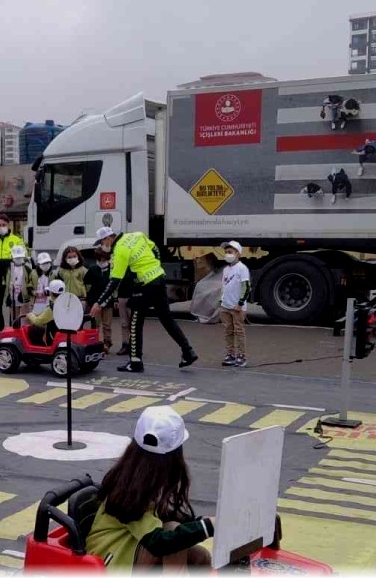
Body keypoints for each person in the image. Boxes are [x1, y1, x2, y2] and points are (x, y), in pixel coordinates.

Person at [86, 406, 214, 572]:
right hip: (112, 558)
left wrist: (205, 522)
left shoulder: (146, 478)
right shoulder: (128, 489)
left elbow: (163, 518)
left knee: (200, 556)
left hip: (132, 545)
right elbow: (159, 543)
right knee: (173, 535)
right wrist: (207, 527)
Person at [89, 228, 198, 373]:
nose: (103, 246)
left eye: (102, 242)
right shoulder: (137, 235)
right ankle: (188, 351)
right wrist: (156, 266)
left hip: (145, 286)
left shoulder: (119, 250)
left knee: (135, 323)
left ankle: (135, 362)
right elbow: (156, 250)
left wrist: (100, 303)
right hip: (159, 279)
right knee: (167, 320)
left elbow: (115, 281)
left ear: (108, 239)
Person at [0, 215, 25, 333]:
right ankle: (0, 331)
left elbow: (22, 257)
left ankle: (13, 329)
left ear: (8, 225)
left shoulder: (16, 239)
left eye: (4, 225)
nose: (1, 227)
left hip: (11, 274)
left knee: (12, 303)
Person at [218, 241, 252, 368]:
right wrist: (221, 301)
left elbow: (246, 287)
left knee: (239, 331)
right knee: (228, 331)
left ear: (238, 253)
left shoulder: (242, 268)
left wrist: (240, 303)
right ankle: (230, 354)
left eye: (230, 252)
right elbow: (224, 286)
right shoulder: (226, 270)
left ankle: (241, 356)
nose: (227, 254)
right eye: (226, 252)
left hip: (237, 307)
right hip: (225, 306)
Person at [86, 247, 116, 353]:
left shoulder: (112, 269)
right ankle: (94, 343)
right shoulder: (92, 269)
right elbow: (87, 285)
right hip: (95, 302)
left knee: (107, 325)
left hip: (108, 302)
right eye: (99, 259)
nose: (101, 261)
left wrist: (115, 299)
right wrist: (90, 300)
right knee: (95, 324)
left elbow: (115, 286)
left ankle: (107, 342)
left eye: (104, 259)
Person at [25, 279, 65, 345]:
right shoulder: (66, 303)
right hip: (63, 333)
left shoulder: (53, 308)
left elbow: (38, 321)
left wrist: (30, 315)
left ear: (51, 293)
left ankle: (39, 352)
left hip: (53, 336)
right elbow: (46, 315)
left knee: (33, 330)